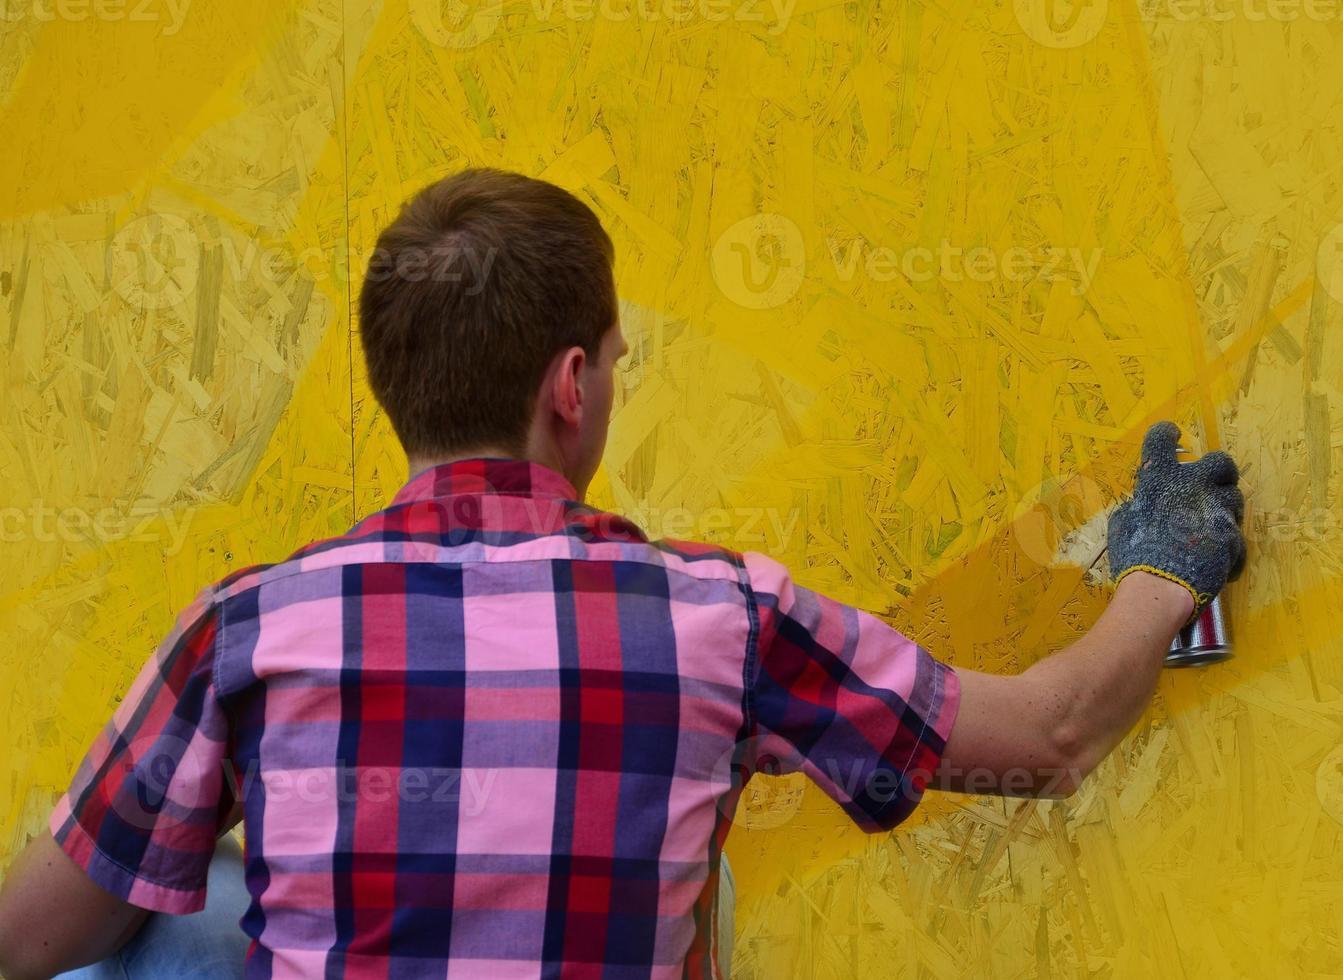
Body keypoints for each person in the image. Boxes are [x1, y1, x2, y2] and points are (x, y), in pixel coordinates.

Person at [0, 168, 1245, 979]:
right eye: (617, 360)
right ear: (570, 387)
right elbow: (1049, 735)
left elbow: (24, 936)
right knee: (691, 848)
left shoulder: (247, 630)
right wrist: (1166, 561)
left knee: (169, 901)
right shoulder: (720, 615)